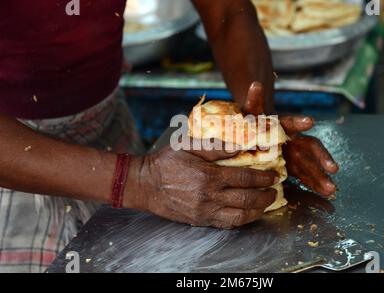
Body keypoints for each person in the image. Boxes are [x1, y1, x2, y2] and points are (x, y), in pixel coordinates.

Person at [0, 0, 338, 273]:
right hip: (18, 165)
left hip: (108, 130)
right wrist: (140, 181)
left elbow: (225, 11)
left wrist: (260, 130)